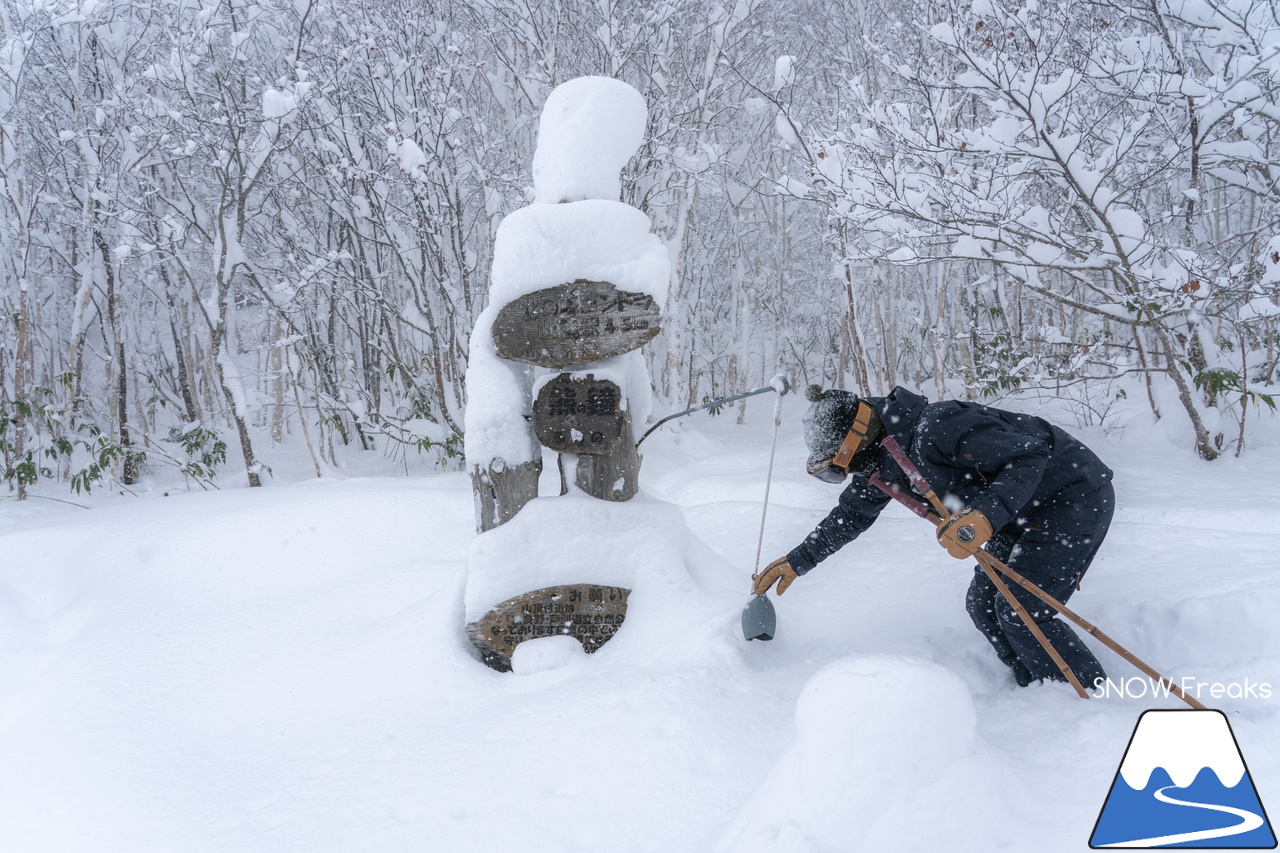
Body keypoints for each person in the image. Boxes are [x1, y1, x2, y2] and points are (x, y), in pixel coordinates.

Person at [752, 385, 1114, 689]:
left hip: (1070, 498)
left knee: (1022, 612)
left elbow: (1031, 453)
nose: (846, 474)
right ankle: (1036, 688)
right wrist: (798, 561)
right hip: (1016, 512)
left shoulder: (939, 426)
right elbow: (852, 515)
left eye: (839, 465)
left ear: (857, 440)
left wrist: (984, 516)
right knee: (984, 605)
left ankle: (1084, 696)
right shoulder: (883, 460)